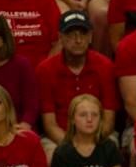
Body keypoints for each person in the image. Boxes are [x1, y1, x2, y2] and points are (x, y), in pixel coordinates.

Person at [37, 10, 118, 155]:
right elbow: (49, 124)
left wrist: (91, 144)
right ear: (60, 37)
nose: (78, 39)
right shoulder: (45, 70)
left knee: (110, 151)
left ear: (91, 37)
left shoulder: (106, 67)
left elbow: (108, 120)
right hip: (60, 138)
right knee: (52, 157)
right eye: (71, 34)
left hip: (99, 137)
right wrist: (73, 148)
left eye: (83, 33)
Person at [50, 94, 122, 167]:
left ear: (101, 119)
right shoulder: (62, 153)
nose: (89, 119)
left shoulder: (110, 147)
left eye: (95, 115)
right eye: (83, 115)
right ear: (72, 119)